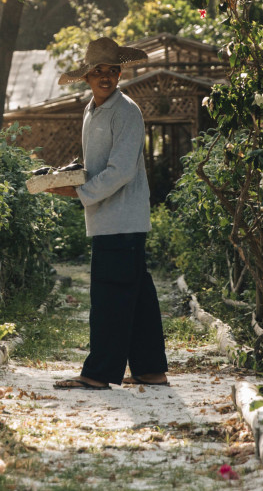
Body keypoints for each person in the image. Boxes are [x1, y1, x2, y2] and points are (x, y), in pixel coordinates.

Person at [44, 37, 169, 390]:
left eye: (112, 71)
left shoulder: (126, 111)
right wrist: (66, 178)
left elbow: (121, 171)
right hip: (108, 219)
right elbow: (98, 165)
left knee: (110, 296)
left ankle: (98, 374)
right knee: (137, 295)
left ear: (119, 74)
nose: (105, 77)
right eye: (98, 71)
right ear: (86, 77)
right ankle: (150, 370)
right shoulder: (92, 110)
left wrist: (79, 191)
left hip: (122, 219)